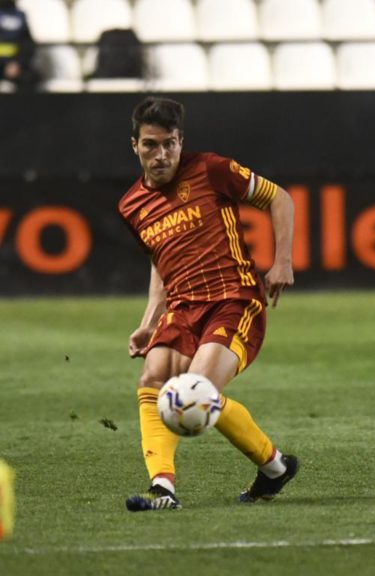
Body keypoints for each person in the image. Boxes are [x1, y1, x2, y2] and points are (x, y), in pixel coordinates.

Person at [118, 96, 298, 511]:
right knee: (152, 380)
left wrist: (282, 261)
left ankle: (273, 467)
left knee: (194, 391)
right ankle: (166, 486)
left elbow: (280, 198)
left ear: (181, 141)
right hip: (182, 308)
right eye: (150, 145)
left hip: (232, 298)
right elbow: (160, 262)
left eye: (169, 143)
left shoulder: (211, 170)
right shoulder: (131, 205)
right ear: (135, 146)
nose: (161, 154)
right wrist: (149, 320)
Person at [0, 0, 40, 91]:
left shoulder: (20, 15)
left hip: (14, 65)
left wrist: (18, 64)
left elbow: (27, 44)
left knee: (31, 78)